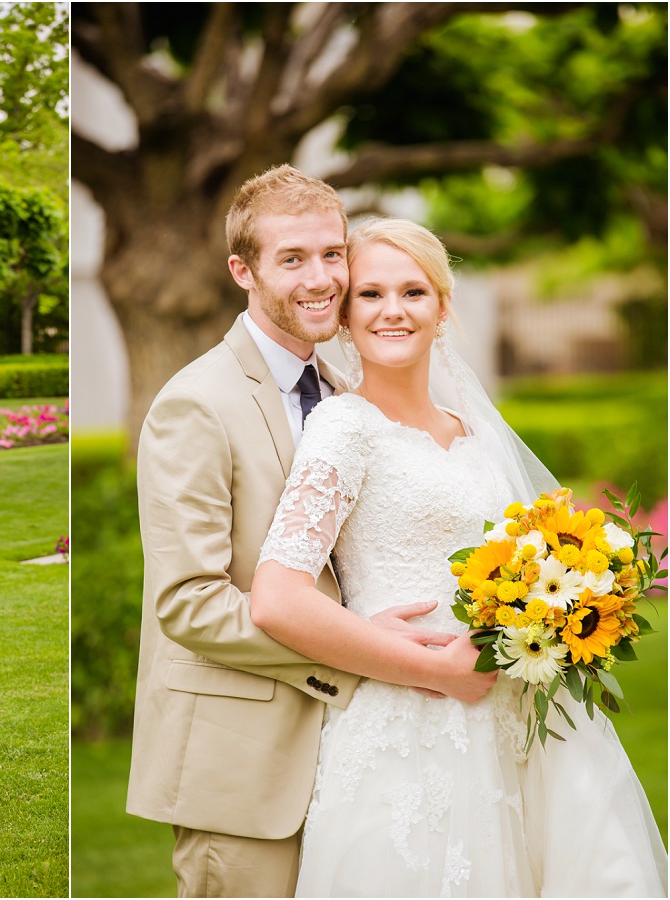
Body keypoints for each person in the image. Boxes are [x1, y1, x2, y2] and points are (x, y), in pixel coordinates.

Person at [250, 217, 668, 896]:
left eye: (413, 292)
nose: (393, 311)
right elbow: (276, 597)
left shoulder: (473, 433)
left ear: (443, 309)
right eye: (371, 295)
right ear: (346, 315)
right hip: (408, 724)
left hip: (519, 716)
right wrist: (434, 669)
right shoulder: (343, 428)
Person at [128, 166, 494, 898]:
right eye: (292, 259)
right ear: (243, 270)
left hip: (358, 753)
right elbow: (189, 600)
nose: (321, 277)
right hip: (244, 765)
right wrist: (366, 648)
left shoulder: (339, 389)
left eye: (333, 254)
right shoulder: (195, 404)